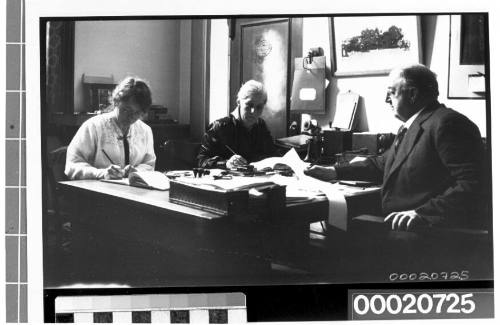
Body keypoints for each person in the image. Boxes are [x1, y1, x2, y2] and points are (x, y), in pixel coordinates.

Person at [305, 64, 485, 231]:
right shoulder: (416, 124)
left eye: (391, 93)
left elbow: (474, 183)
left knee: (333, 237)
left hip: (425, 230)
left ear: (413, 94)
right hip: (398, 221)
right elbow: (382, 163)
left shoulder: (448, 123)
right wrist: (334, 172)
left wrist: (423, 214)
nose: (386, 100)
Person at [65, 76, 156, 180]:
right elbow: (73, 165)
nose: (131, 117)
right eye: (127, 110)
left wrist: (137, 172)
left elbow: (149, 163)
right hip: (97, 191)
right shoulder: (93, 127)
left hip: (132, 192)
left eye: (137, 113)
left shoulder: (145, 131)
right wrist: (102, 174)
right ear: (116, 101)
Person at [197, 80, 278, 169]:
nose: (253, 112)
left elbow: (272, 155)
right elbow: (201, 161)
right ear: (239, 102)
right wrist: (226, 163)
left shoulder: (261, 126)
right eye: (249, 105)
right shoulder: (220, 127)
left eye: (259, 107)